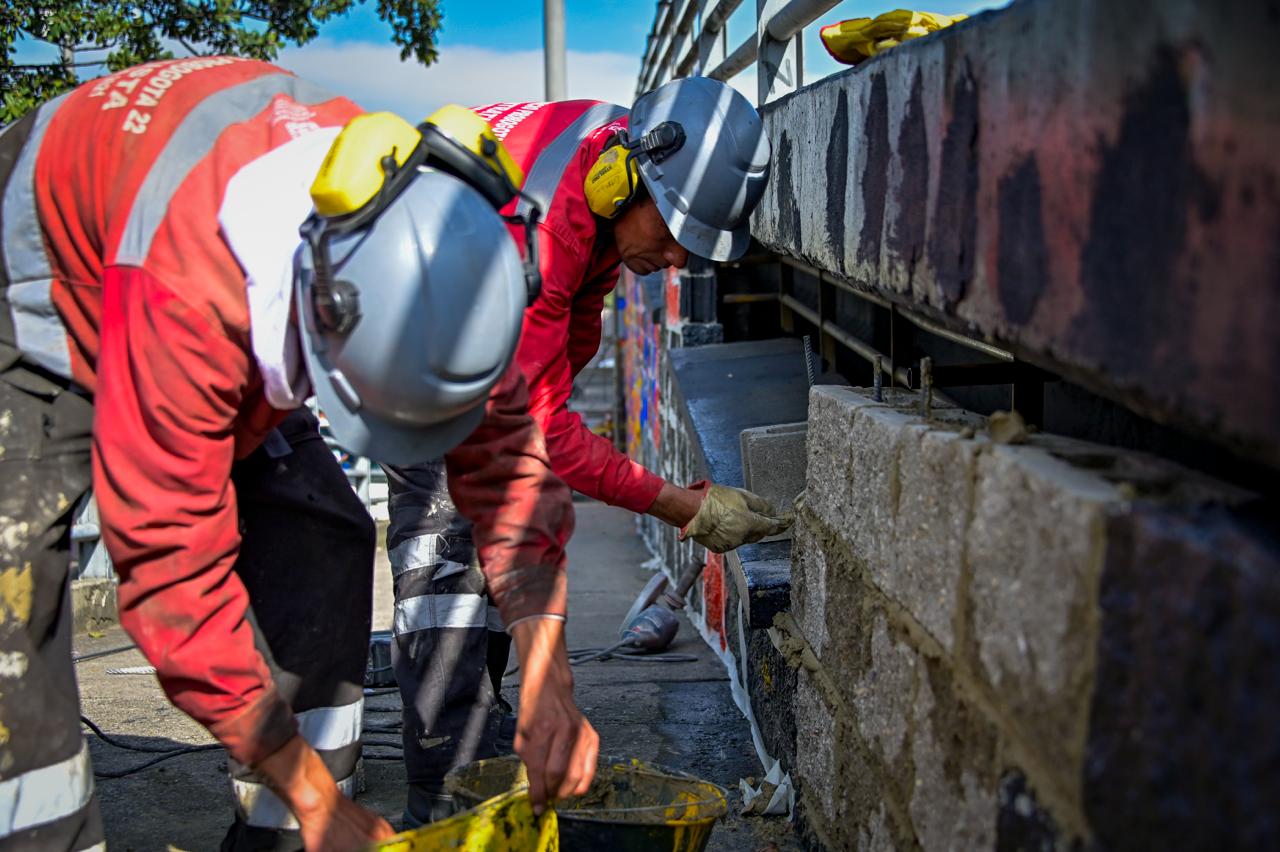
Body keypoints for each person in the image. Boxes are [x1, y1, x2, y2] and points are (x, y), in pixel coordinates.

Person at [0, 57, 596, 852]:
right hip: (38, 300)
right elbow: (171, 571)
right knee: (12, 607)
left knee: (325, 536)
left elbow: (508, 462)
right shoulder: (191, 296)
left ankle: (278, 838)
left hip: (198, 274)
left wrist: (547, 674)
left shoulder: (435, 247)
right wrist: (318, 798)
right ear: (321, 317)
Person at [382, 76, 787, 825]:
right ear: (626, 181)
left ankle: (488, 733)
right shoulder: (537, 232)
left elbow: (554, 382)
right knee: (445, 557)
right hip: (410, 343)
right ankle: (447, 791)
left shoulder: (608, 164)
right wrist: (680, 507)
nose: (673, 259)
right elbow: (537, 429)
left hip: (475, 321)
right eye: (671, 233)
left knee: (502, 547)